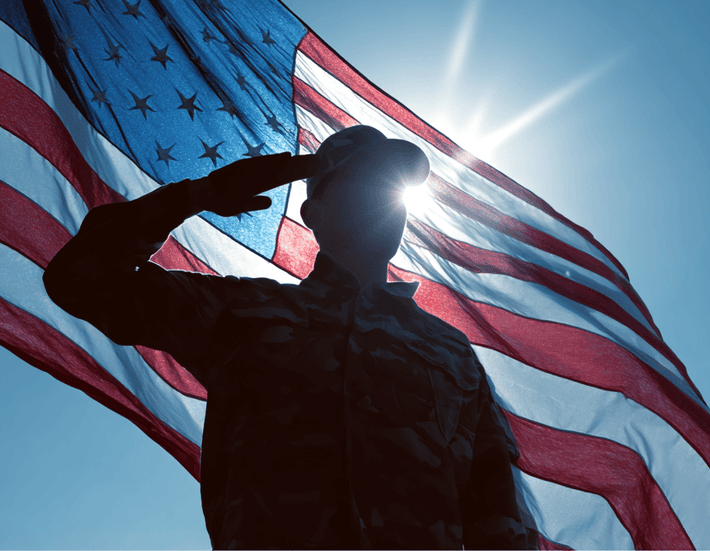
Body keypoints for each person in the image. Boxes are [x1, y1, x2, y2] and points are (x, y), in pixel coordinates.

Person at [43, 125, 535, 550]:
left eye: (391, 186)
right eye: (361, 181)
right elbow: (80, 281)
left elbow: (496, 509)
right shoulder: (245, 311)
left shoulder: (450, 351)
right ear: (313, 212)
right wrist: (191, 197)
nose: (381, 196)